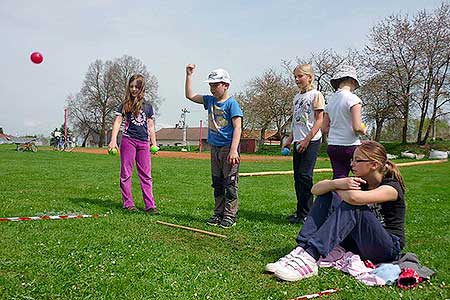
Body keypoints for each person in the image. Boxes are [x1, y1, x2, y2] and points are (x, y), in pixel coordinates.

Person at [266, 141, 406, 282]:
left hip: (387, 248)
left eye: (358, 160)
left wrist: (337, 188)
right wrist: (335, 184)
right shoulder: (360, 182)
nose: (352, 164)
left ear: (374, 165)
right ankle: (303, 248)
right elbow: (315, 189)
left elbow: (354, 199)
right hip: (358, 243)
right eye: (352, 160)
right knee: (327, 194)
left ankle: (311, 256)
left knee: (353, 206)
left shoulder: (392, 187)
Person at [185, 64, 243, 228]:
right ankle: (218, 213)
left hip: (228, 148)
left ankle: (230, 215)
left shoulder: (232, 104)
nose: (212, 89)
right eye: (210, 85)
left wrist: (233, 150)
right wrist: (189, 75)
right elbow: (190, 95)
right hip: (215, 148)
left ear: (226, 85)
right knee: (217, 183)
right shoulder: (210, 100)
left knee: (230, 183)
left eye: (215, 85)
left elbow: (238, 127)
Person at [109, 74, 159, 214]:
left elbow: (151, 126)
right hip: (128, 140)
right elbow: (118, 122)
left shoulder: (148, 107)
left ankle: (150, 205)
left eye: (136, 86)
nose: (133, 89)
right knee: (126, 173)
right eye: (131, 86)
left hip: (143, 143)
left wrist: (153, 143)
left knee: (146, 175)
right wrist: (113, 140)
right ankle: (128, 203)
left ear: (142, 87)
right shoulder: (125, 104)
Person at [282, 64, 324, 224]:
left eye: (300, 76)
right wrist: (290, 139)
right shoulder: (296, 98)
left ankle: (308, 214)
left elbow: (319, 120)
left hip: (311, 141)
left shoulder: (316, 95)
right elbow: (296, 122)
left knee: (305, 177)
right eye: (295, 77)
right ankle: (300, 212)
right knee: (298, 178)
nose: (297, 79)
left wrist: (307, 140)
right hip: (298, 141)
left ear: (310, 77)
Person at [322, 65, 366, 179]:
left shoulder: (330, 101)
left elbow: (324, 129)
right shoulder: (354, 99)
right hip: (350, 146)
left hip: (333, 146)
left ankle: (337, 197)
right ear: (353, 81)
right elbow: (357, 127)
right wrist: (364, 130)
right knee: (366, 176)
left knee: (339, 180)